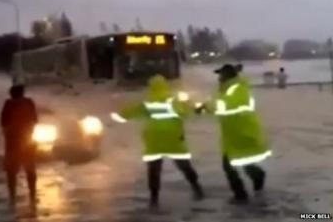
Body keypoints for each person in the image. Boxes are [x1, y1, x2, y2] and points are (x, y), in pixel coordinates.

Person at [111, 75, 204, 210]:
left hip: (153, 139)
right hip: (173, 138)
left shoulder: (148, 103)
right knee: (184, 165)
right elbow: (189, 110)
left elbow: (127, 114)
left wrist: (117, 116)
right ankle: (197, 189)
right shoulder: (172, 101)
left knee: (154, 169)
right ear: (165, 85)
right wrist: (199, 107)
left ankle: (154, 199)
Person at [197, 64, 271, 205]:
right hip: (234, 135)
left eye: (220, 74)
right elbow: (223, 106)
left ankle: (241, 195)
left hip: (242, 134)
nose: (218, 78)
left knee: (230, 165)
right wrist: (204, 108)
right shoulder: (229, 90)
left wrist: (206, 106)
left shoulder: (238, 89)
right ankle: (256, 183)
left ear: (227, 75)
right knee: (241, 163)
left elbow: (226, 106)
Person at [0, 85, 38, 206]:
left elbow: (3, 122)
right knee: (30, 169)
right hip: (27, 141)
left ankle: (12, 197)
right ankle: (32, 195)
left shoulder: (8, 104)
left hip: (12, 142)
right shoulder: (29, 103)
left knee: (11, 172)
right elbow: (35, 119)